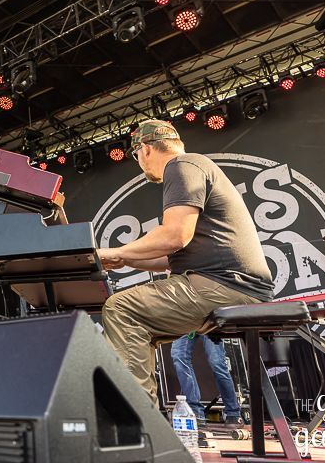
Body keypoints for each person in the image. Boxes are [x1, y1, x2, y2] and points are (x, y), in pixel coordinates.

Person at [98, 119, 274, 409]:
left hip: (226, 284)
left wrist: (111, 251)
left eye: (136, 157)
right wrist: (124, 257)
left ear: (144, 150)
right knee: (138, 326)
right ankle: (145, 418)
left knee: (121, 308)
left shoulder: (182, 166)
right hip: (229, 283)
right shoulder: (195, 166)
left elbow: (174, 236)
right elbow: (172, 257)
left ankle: (138, 420)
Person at [171, 332, 243, 427]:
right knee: (179, 355)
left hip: (208, 320)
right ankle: (194, 411)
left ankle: (233, 413)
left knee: (217, 362)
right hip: (188, 320)